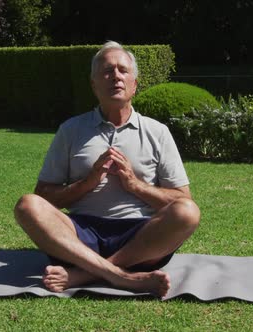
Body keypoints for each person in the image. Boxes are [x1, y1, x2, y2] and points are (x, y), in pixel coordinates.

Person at [14, 41, 200, 298]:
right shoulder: (71, 130)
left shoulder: (157, 132)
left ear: (134, 84)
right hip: (79, 237)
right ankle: (122, 276)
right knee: (27, 205)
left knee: (188, 212)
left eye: (123, 71)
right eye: (107, 71)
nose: (116, 76)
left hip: (140, 238)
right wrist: (88, 182)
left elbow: (182, 199)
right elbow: (44, 195)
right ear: (94, 85)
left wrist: (135, 185)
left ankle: (85, 275)